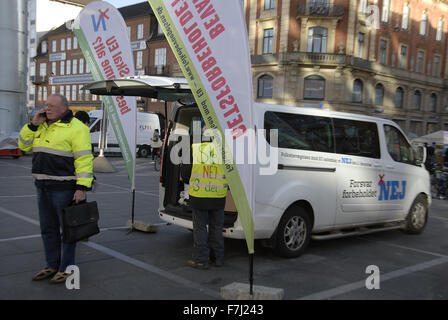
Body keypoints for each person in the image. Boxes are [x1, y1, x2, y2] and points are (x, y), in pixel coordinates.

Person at [18, 94, 94, 284]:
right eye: (46, 105)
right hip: (42, 186)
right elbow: (23, 146)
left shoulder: (77, 128)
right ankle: (51, 265)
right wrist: (32, 125)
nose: (46, 108)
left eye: (51, 106)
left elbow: (84, 159)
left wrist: (82, 187)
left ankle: (67, 269)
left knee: (68, 230)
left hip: (64, 188)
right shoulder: (41, 125)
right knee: (47, 229)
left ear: (63, 108)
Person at [182, 124, 228, 269]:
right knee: (217, 227)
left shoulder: (195, 149)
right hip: (218, 196)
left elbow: (185, 175)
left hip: (199, 196)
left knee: (200, 228)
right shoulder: (224, 152)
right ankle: (218, 258)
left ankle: (201, 260)